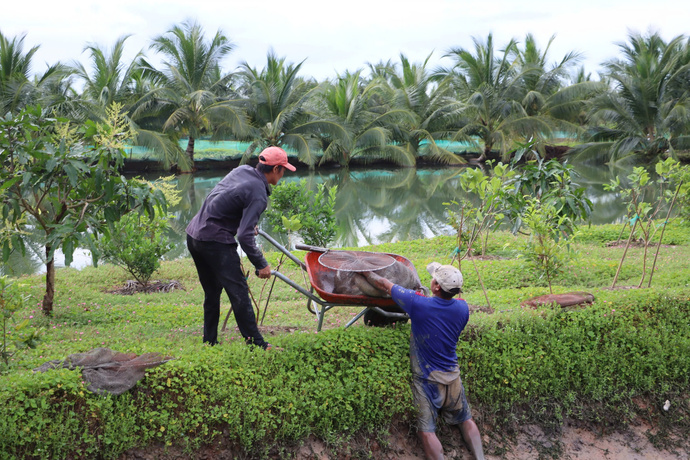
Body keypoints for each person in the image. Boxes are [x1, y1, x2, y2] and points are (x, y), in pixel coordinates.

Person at [363, 262, 485, 460]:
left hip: (427, 381)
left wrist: (364, 270)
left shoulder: (418, 304)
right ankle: (481, 458)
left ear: (436, 286)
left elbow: (385, 284)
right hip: (453, 376)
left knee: (426, 430)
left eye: (434, 279)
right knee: (465, 419)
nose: (432, 280)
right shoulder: (463, 308)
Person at [186, 146, 296, 349]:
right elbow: (245, 236)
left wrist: (244, 224)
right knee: (239, 293)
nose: (283, 174)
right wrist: (261, 264)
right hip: (214, 240)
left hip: (194, 234)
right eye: (284, 170)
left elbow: (223, 200)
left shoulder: (242, 171)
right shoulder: (259, 195)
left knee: (212, 292)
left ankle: (209, 341)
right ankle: (258, 345)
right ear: (276, 169)